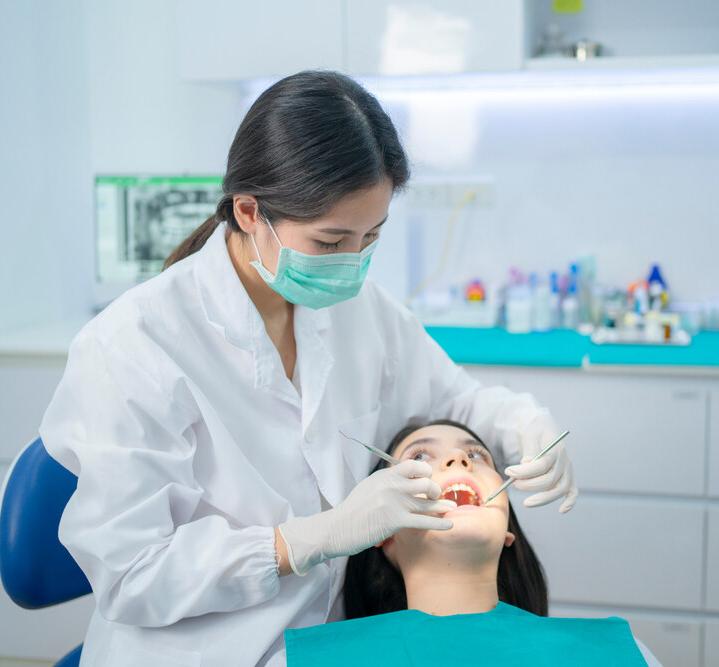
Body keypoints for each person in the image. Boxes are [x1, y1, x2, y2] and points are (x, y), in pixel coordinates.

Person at [39, 70, 577, 666]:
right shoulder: (132, 346)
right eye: (329, 243)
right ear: (249, 212)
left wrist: (526, 425)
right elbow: (132, 575)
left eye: (370, 237)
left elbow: (456, 402)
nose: (353, 264)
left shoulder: (356, 311)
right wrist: (307, 541)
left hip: (333, 645)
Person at [286, 421, 661, 666]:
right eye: (419, 457)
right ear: (382, 531)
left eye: (477, 455)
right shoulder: (304, 660)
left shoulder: (622, 655)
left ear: (508, 529)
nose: (458, 459)